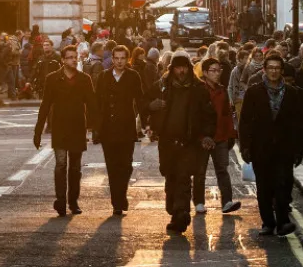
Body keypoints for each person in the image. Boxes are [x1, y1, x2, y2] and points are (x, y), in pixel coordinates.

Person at [239, 51, 303, 236]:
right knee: (264, 186)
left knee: (284, 185)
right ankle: (268, 222)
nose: (274, 71)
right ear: (264, 70)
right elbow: (245, 121)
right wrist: (245, 146)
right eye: (270, 68)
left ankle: (283, 222)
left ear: (282, 71)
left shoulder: (293, 93)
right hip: (261, 147)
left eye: (277, 68)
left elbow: (297, 123)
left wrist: (299, 149)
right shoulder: (254, 92)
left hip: (284, 148)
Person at [146, 51, 215, 234]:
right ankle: (174, 210)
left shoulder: (199, 89)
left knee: (184, 178)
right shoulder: (163, 86)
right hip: (167, 142)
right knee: (170, 176)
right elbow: (146, 102)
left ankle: (181, 213)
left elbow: (209, 115)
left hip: (189, 142)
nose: (181, 71)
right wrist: (151, 108)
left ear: (189, 68)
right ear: (172, 69)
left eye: (184, 67)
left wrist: (207, 135)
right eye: (178, 67)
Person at [35, 45, 98, 217]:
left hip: (78, 127)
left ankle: (73, 201)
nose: (73, 59)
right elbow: (45, 105)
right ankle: (61, 201)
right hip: (60, 127)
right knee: (61, 164)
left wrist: (96, 128)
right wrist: (38, 130)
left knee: (75, 167)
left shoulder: (84, 79)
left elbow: (92, 104)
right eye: (69, 57)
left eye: (74, 57)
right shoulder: (53, 79)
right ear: (63, 60)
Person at [95, 45, 143, 215]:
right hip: (108, 128)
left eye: (123, 58)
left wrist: (145, 123)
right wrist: (95, 127)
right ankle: (117, 202)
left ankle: (120, 195)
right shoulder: (103, 77)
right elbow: (97, 103)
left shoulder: (133, 76)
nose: (120, 61)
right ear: (112, 59)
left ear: (127, 59)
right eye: (117, 58)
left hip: (126, 128)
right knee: (112, 166)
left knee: (126, 165)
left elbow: (140, 100)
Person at [197, 57, 241, 215]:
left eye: (219, 70)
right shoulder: (198, 90)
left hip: (221, 137)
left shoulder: (222, 90)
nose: (217, 74)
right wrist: (200, 137)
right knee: (200, 171)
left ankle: (227, 202)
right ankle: (199, 203)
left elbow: (227, 114)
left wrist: (231, 135)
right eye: (213, 71)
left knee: (222, 169)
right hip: (202, 138)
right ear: (205, 73)